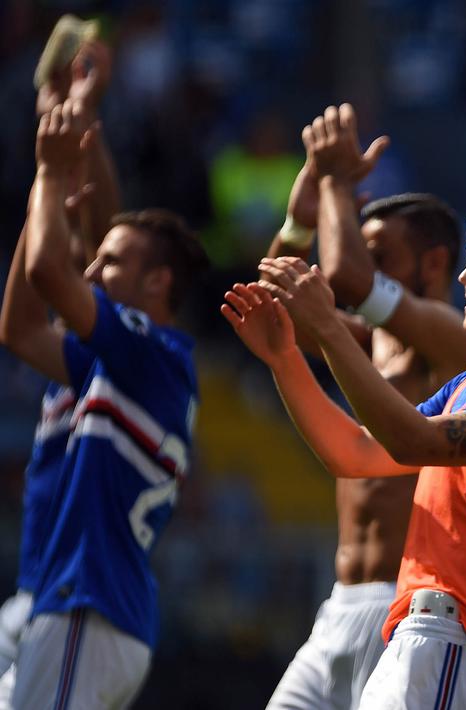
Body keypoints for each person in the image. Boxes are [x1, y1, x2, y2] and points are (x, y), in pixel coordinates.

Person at [246, 193, 466, 708]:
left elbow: (415, 442)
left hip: (465, 637)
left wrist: (324, 327)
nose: (465, 278)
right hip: (432, 635)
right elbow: (357, 456)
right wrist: (285, 358)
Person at [239, 103, 466, 710]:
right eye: (366, 252)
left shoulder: (455, 342)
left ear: (434, 263)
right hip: (338, 605)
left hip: (408, 609)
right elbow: (277, 309)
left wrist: (336, 183)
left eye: (384, 256)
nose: (366, 267)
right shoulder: (374, 344)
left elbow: (345, 278)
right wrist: (300, 214)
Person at [0, 99, 208, 708]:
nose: (91, 267)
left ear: (157, 283)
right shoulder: (118, 359)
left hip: (87, 605)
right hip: (58, 602)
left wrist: (49, 171)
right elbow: (18, 329)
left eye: (109, 262)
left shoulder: (152, 353)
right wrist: (82, 130)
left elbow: (50, 271)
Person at [0, 35, 120, 680]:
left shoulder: (119, 351)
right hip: (36, 594)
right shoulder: (76, 355)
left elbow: (104, 233)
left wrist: (80, 126)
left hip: (77, 604)